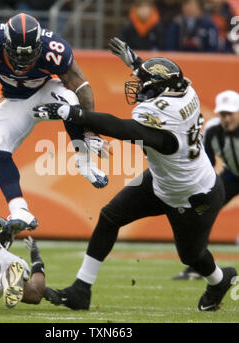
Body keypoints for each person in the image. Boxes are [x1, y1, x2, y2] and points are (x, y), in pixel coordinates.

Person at [34, 37, 237, 312]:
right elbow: (169, 78)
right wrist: (138, 65)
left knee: (191, 255)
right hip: (164, 182)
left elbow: (124, 129)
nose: (140, 89)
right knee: (110, 216)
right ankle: (81, 290)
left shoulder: (166, 128)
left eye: (145, 86)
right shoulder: (184, 91)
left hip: (193, 194)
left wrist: (72, 112)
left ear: (160, 92)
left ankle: (219, 279)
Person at [0, 13, 108, 234]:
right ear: (5, 43)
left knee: (71, 100)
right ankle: (19, 210)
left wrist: (92, 131)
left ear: (38, 45)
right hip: (15, 102)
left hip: (45, 92)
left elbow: (82, 87)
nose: (22, 61)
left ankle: (84, 162)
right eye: (16, 53)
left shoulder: (54, 49)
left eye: (29, 54)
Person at [173, 90, 239, 280]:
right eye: (223, 114)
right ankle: (197, 266)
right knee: (201, 212)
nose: (226, 119)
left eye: (230, 114)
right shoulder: (212, 130)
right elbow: (206, 164)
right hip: (232, 176)